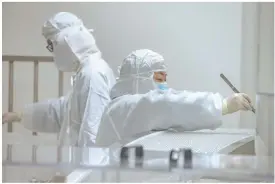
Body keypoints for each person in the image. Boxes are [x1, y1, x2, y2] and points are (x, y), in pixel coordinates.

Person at [95, 49, 253, 147]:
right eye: (158, 77)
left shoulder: (132, 105)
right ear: (139, 78)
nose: (163, 82)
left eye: (164, 76)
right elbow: (164, 104)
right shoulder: (123, 106)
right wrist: (223, 105)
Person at [2, 12, 116, 147]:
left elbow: (92, 134)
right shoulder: (87, 73)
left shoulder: (92, 76)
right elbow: (61, 112)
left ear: (65, 42)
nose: (52, 52)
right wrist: (18, 115)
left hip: (88, 164)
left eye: (51, 45)